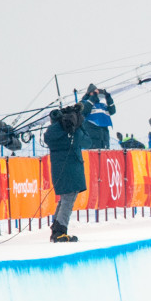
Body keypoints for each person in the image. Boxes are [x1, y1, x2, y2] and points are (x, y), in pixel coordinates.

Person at [44, 104, 88, 242]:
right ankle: (60, 230)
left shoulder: (52, 133)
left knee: (64, 199)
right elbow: (88, 141)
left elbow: (48, 136)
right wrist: (79, 124)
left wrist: (60, 122)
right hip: (73, 169)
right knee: (68, 199)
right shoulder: (74, 131)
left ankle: (56, 228)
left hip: (58, 168)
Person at [79, 84, 116, 150]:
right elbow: (85, 109)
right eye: (94, 92)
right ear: (90, 93)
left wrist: (108, 97)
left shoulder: (102, 105)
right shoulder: (83, 103)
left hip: (104, 138)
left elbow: (112, 111)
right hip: (92, 138)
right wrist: (93, 97)